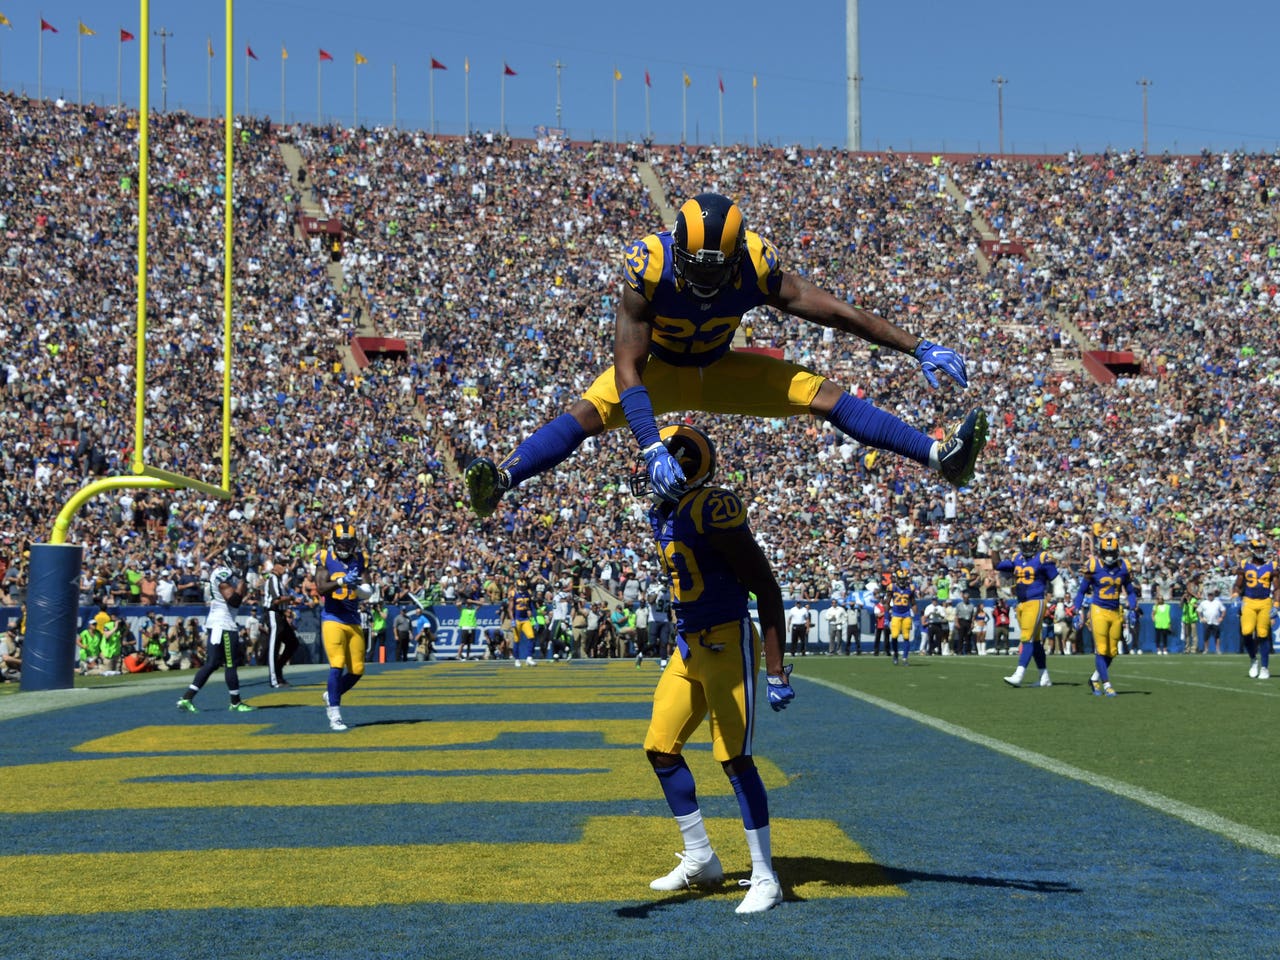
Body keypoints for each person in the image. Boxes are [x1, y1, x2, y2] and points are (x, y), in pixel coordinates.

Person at [463, 192, 987, 519]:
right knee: (586, 411)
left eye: (719, 269)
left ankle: (939, 457)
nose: (709, 279)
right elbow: (628, 367)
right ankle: (502, 480)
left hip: (721, 366)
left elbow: (838, 313)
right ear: (678, 249)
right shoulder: (649, 266)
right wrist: (649, 445)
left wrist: (916, 346)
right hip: (659, 369)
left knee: (821, 393)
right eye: (699, 267)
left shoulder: (756, 265)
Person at [632, 423, 793, 914]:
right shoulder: (666, 512)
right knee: (659, 748)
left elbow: (765, 586)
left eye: (661, 459)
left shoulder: (713, 507)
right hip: (687, 646)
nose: (649, 469)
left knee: (734, 759)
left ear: (683, 465)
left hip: (726, 642)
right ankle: (701, 858)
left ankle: (765, 877)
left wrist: (776, 668)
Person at [176, 543, 256, 713]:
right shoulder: (223, 573)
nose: (240, 563)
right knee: (230, 664)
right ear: (229, 559)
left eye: (242, 559)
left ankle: (186, 698)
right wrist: (242, 580)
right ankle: (235, 702)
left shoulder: (228, 573)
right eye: (237, 559)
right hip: (223, 625)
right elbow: (233, 600)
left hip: (219, 623)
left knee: (211, 664)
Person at [316, 520, 373, 731]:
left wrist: (359, 588)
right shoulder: (325, 558)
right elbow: (321, 588)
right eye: (341, 544)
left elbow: (368, 589)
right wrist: (341, 582)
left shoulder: (360, 558)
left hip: (353, 619)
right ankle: (334, 714)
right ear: (334, 542)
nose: (344, 548)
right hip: (332, 618)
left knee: (357, 670)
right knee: (337, 664)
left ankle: (332, 693)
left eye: (348, 544)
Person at [1072, 531, 1139, 697]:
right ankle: (1107, 684)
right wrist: (1077, 611)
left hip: (1116, 611)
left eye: (1111, 553)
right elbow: (1081, 591)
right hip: (1098, 610)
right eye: (1106, 553)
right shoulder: (1093, 566)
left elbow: (1130, 592)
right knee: (1101, 649)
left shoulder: (1124, 567)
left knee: (1112, 651)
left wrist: (1132, 608)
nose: (1109, 556)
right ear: (1101, 553)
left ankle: (1095, 678)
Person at [995, 530, 1059, 688]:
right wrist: (994, 548)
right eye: (1025, 545)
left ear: (1036, 545)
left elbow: (1055, 578)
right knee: (1036, 641)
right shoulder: (1017, 558)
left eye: (1029, 545)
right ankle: (1044, 677)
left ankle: (1019, 674)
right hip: (1021, 602)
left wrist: (1058, 594)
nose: (1027, 548)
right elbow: (997, 565)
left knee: (1027, 637)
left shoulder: (1042, 558)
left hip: (1036, 601)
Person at [1232, 533, 1277, 679]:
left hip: (1265, 602)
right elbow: (1237, 585)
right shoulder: (1245, 565)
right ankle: (1253, 660)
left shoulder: (1272, 566)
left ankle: (1264, 667)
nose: (1261, 551)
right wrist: (1235, 597)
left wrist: (1276, 604)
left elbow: (1277, 588)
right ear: (1252, 550)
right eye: (1258, 549)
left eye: (1263, 548)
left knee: (1263, 634)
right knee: (1246, 631)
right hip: (1249, 601)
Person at [261, 554, 300, 687]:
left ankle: (278, 669)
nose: (285, 567)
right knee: (274, 646)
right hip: (273, 614)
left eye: (286, 564)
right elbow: (276, 599)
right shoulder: (272, 578)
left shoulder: (277, 580)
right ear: (276, 565)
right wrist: (291, 598)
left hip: (280, 615)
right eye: (283, 564)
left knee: (293, 642)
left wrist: (287, 607)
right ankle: (274, 679)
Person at [888, 570, 917, 665]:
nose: (901, 581)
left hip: (906, 614)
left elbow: (913, 602)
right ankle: (895, 654)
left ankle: (905, 657)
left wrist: (915, 614)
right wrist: (886, 614)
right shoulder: (892, 587)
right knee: (894, 635)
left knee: (906, 636)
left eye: (903, 579)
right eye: (900, 579)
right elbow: (887, 601)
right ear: (896, 578)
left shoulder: (910, 588)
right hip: (896, 614)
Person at [1199, 590, 1225, 654]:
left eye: (1211, 595)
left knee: (1217, 636)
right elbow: (1199, 610)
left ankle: (1218, 649)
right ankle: (1206, 649)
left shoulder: (1217, 602)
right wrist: (1201, 618)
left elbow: (1223, 610)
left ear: (1213, 596)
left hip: (1215, 622)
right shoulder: (1203, 603)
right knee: (1206, 636)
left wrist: (1221, 617)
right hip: (1207, 622)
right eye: (1209, 595)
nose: (1210, 596)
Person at [1179, 584, 1200, 655]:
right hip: (1186, 619)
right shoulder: (1184, 601)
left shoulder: (1193, 600)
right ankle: (1187, 648)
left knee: (1194, 635)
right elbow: (1180, 606)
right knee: (1187, 635)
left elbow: (1196, 606)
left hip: (1193, 619)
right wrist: (1182, 599)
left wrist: (1189, 602)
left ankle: (1194, 648)